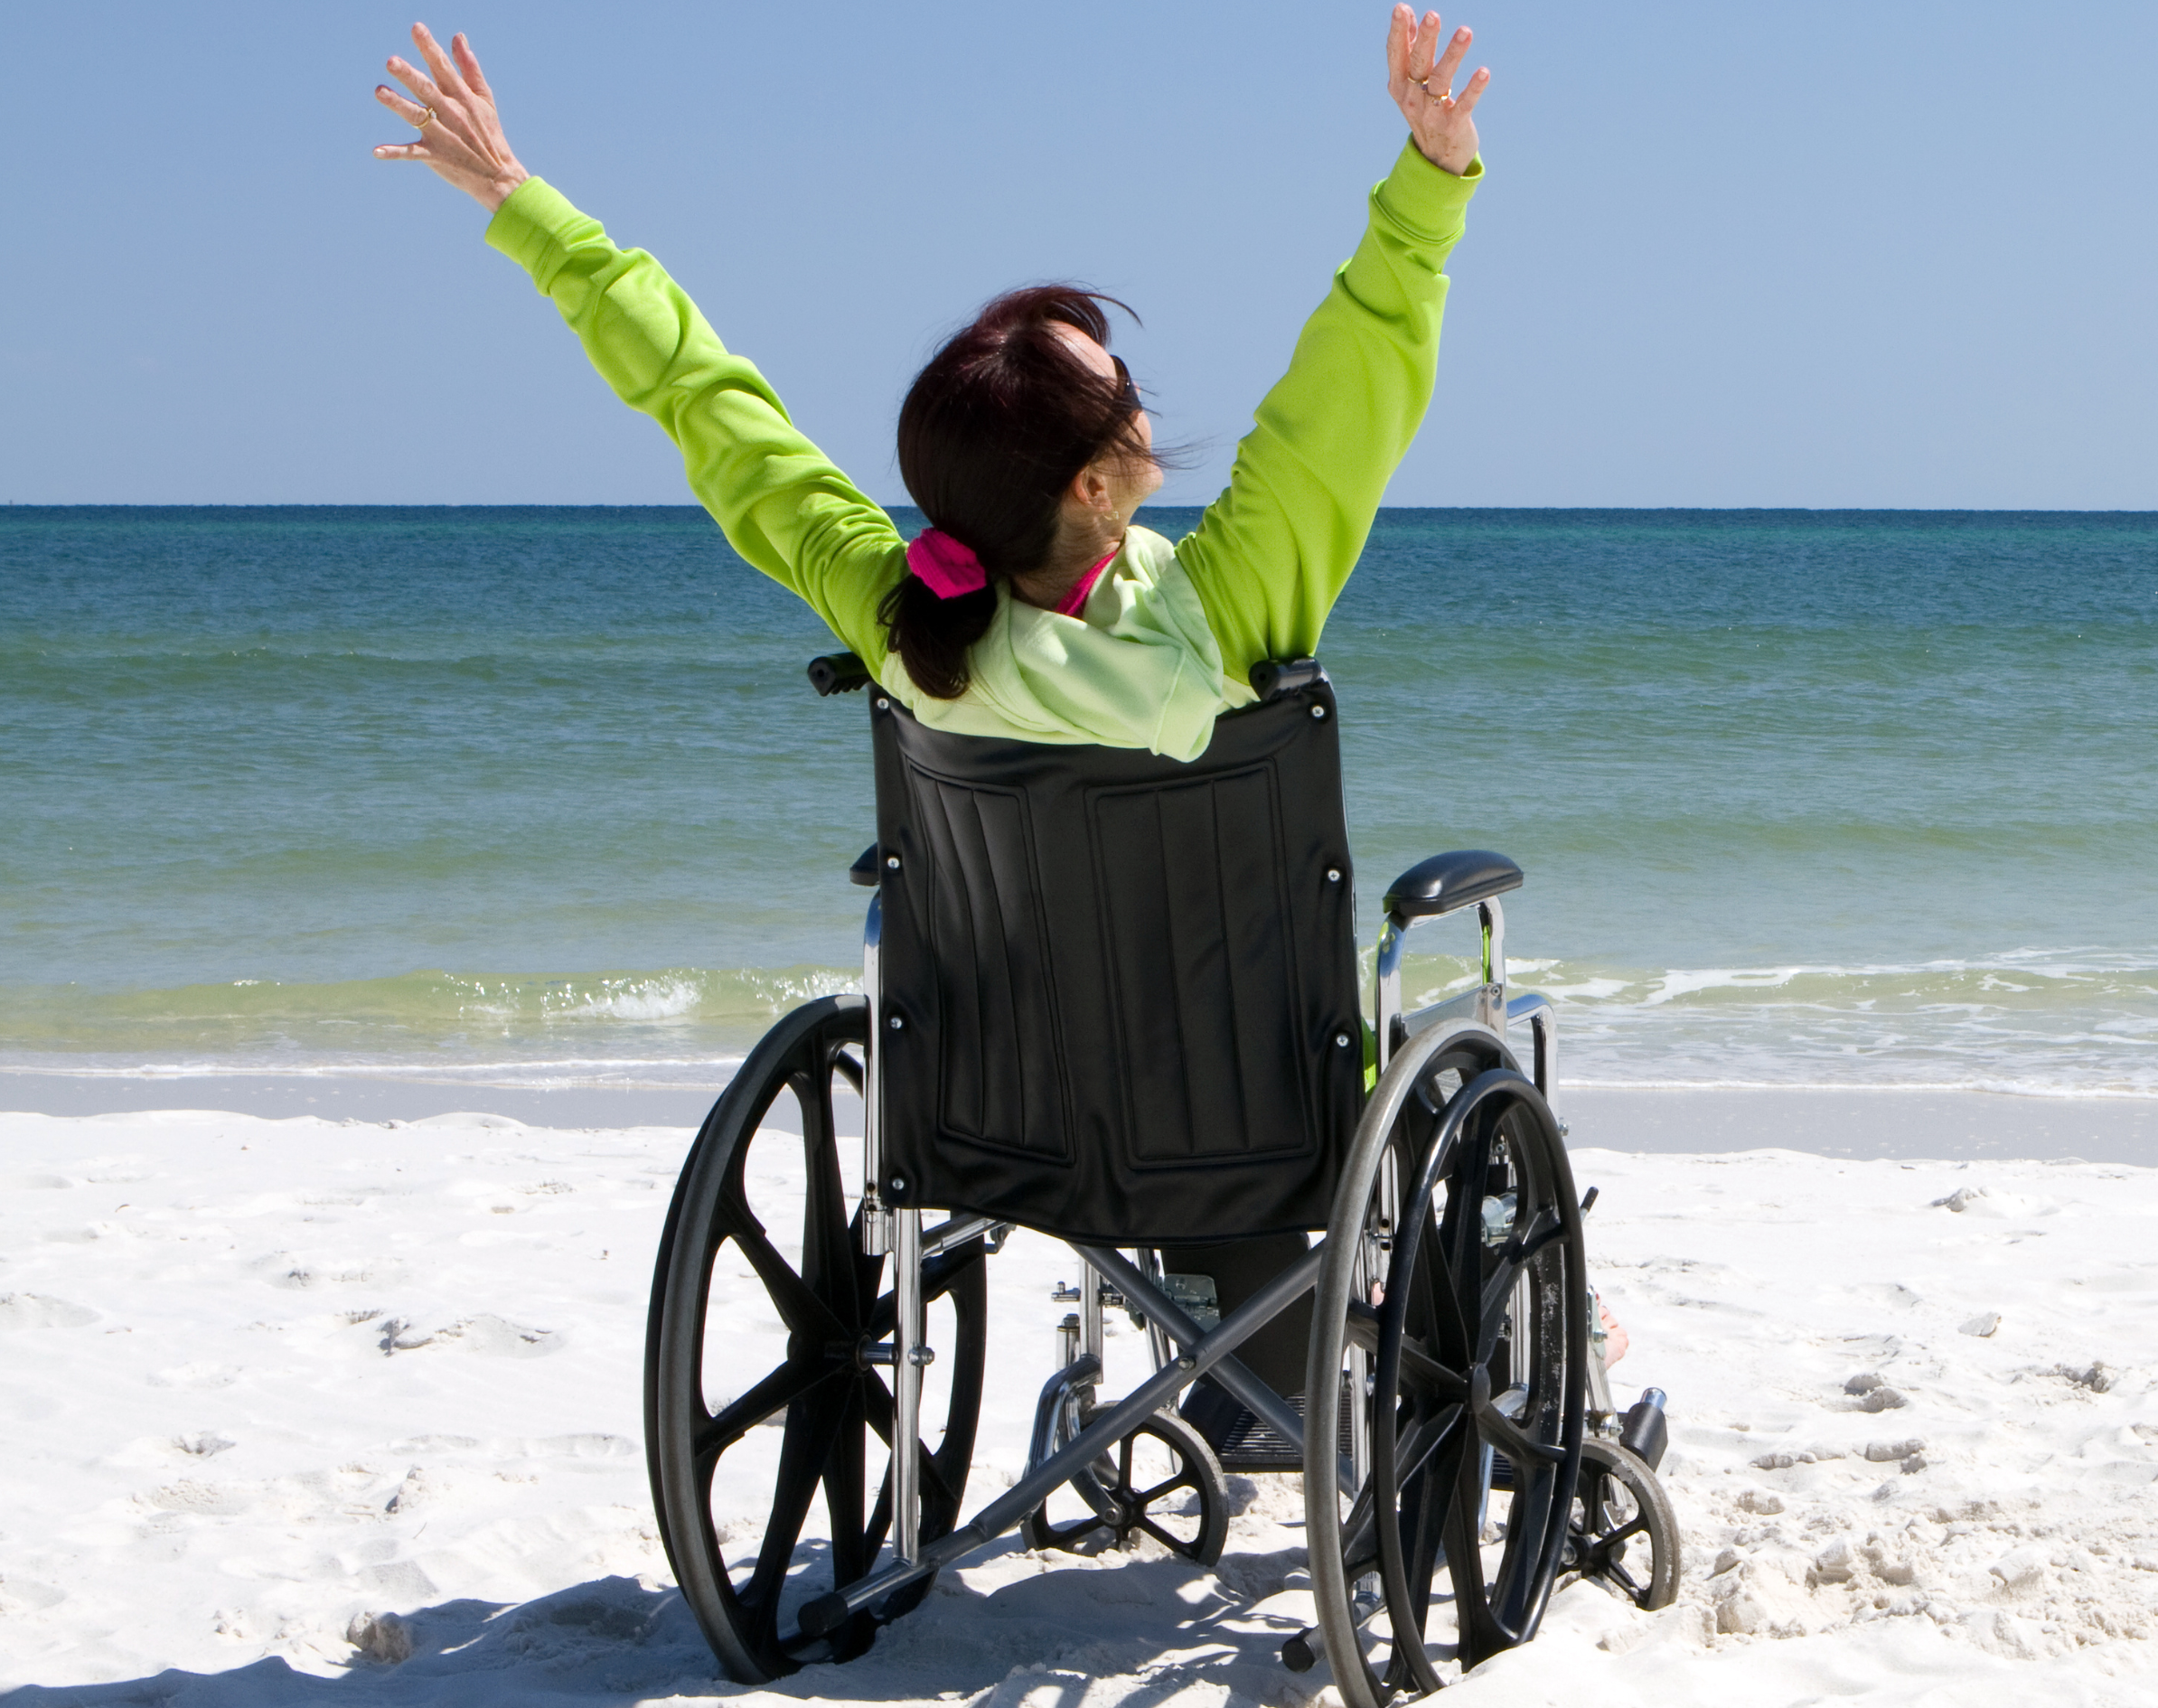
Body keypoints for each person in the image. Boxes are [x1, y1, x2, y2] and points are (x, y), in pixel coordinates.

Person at [370, 10, 1497, 1450]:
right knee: (1476, 1035)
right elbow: (1354, 385)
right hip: (1257, 1117)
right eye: (1125, 399)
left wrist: (526, 208)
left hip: (1001, 1121)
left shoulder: (894, 622)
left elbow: (710, 406)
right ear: (1097, 486)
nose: (1149, 407)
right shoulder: (1223, 619)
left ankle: (1224, 1353)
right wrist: (1429, 176)